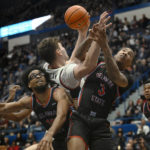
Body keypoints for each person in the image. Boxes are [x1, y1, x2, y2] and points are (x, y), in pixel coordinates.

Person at [67, 17, 134, 150]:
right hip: (81, 117)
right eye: (124, 50)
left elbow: (115, 76)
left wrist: (104, 45)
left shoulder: (127, 79)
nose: (125, 52)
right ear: (117, 52)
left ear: (129, 65)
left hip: (100, 122)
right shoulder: (100, 61)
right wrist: (90, 38)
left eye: (129, 54)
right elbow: (79, 55)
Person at [0, 66, 72, 150]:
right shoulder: (30, 101)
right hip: (57, 137)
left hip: (73, 131)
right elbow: (15, 116)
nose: (38, 76)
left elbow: (61, 115)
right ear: (29, 84)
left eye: (40, 74)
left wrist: (49, 134)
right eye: (33, 76)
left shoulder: (57, 92)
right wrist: (9, 100)